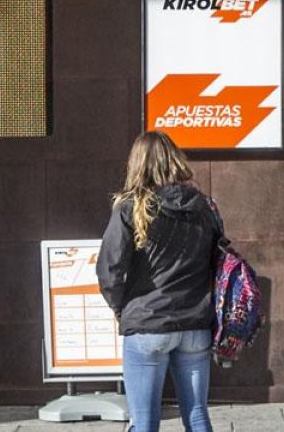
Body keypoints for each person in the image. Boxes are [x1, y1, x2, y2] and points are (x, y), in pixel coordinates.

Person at [96, 131, 220, 432]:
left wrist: (119, 307)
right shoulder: (204, 206)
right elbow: (217, 260)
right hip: (195, 325)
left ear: (136, 164)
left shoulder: (130, 207)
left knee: (145, 421)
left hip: (147, 324)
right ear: (174, 160)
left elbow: (108, 270)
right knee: (197, 414)